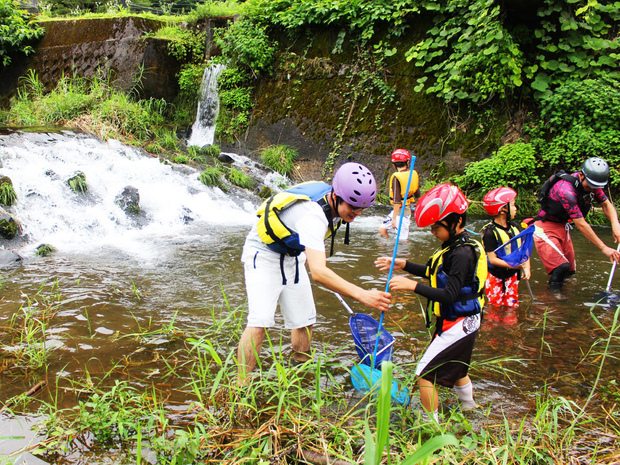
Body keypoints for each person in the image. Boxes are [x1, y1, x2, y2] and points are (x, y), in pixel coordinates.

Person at [238, 162, 392, 384]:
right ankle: (240, 384)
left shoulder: (334, 202)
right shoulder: (314, 215)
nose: (357, 213)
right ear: (337, 196)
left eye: (362, 208)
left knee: (304, 319)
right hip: (262, 253)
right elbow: (319, 272)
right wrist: (363, 295)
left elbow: (314, 252)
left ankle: (301, 374)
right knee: (259, 323)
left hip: (293, 254)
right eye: (353, 206)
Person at [375, 183, 487, 421]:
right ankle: (470, 410)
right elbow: (435, 271)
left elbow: (450, 295)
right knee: (458, 369)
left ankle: (430, 427)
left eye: (437, 226)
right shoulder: (455, 246)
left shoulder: (462, 254)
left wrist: (411, 285)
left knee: (425, 374)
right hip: (465, 321)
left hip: (458, 323)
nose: (433, 231)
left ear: (456, 222)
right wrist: (404, 265)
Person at [533, 157, 620, 292]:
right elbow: (580, 224)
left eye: (596, 186)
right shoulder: (566, 191)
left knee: (570, 270)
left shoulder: (591, 183)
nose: (593, 189)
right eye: (590, 185)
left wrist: (615, 224)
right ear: (581, 175)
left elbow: (606, 204)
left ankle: (566, 295)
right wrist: (603, 247)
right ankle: (552, 302)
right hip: (545, 227)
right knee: (561, 267)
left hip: (562, 226)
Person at [481, 187, 531, 308]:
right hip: (495, 275)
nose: (516, 208)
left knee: (512, 305)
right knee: (495, 306)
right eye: (513, 205)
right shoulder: (489, 233)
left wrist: (527, 266)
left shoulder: (515, 227)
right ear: (503, 209)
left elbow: (524, 249)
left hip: (512, 274)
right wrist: (515, 265)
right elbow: (492, 259)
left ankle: (510, 325)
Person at [378, 149, 421, 241]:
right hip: (400, 210)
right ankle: (389, 250)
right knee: (382, 230)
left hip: (402, 213)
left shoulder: (396, 178)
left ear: (394, 165)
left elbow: (397, 201)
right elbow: (418, 195)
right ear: (407, 163)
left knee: (402, 241)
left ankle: (405, 254)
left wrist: (394, 220)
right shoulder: (412, 174)